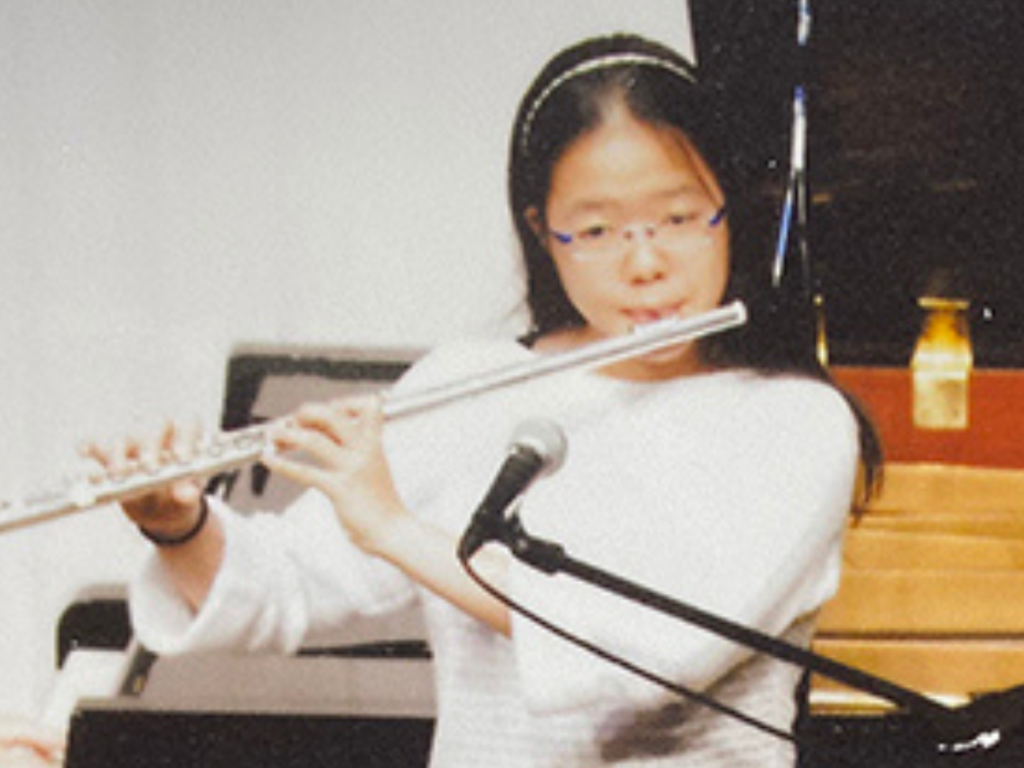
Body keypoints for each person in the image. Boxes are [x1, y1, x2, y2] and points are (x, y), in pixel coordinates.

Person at [90, 33, 880, 767]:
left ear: (729, 211)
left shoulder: (795, 423)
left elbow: (652, 653)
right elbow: (285, 585)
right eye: (597, 231)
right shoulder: (469, 384)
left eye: (678, 218)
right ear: (543, 232)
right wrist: (179, 526)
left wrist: (397, 529)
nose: (646, 263)